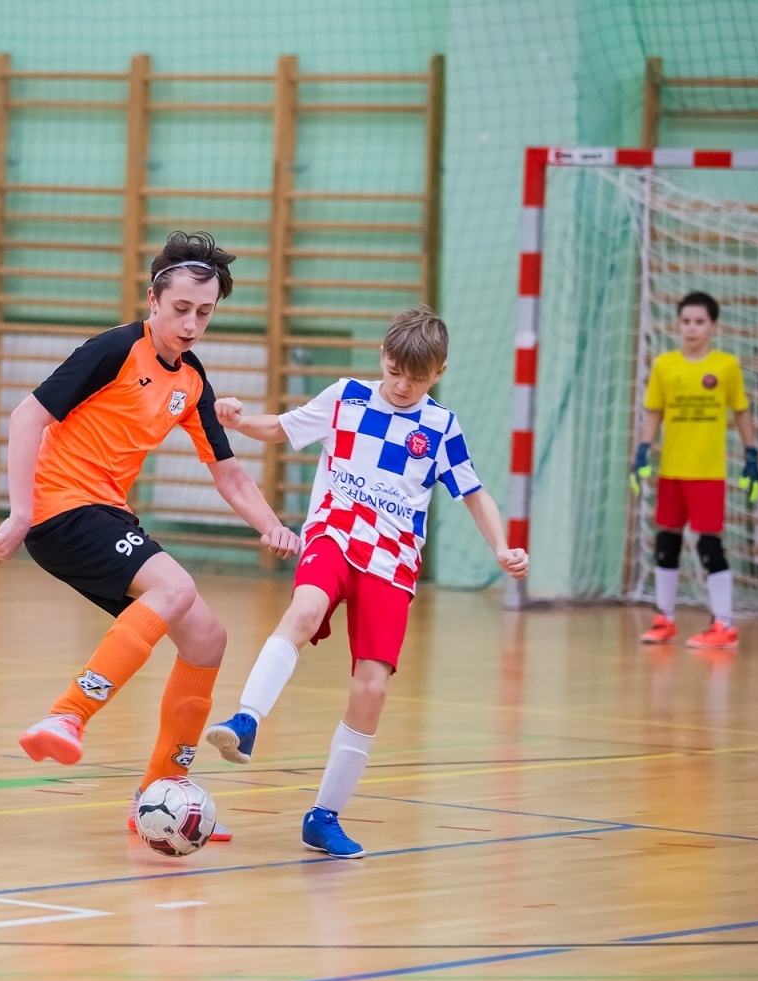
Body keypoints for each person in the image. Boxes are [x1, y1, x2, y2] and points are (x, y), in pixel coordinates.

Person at [0, 231, 300, 841]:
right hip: (61, 509)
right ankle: (68, 716)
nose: (192, 323)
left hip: (107, 515)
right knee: (175, 587)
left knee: (206, 637)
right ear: (153, 300)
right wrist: (19, 512)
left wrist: (272, 525)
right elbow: (26, 416)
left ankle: (160, 790)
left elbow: (227, 472)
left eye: (204, 313)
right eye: (181, 309)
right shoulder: (113, 350)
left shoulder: (192, 380)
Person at [203, 307, 529, 857]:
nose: (402, 385)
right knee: (303, 612)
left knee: (372, 687)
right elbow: (283, 428)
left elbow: (474, 493)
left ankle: (323, 816)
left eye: (416, 378)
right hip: (334, 533)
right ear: (383, 355)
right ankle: (246, 719)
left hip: (393, 562)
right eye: (395, 370)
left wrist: (500, 547)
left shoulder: (442, 428)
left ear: (439, 373)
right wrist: (237, 420)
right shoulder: (347, 397)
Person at [631, 290, 758, 650]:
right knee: (667, 542)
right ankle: (664, 619)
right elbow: (654, 412)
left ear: (713, 326)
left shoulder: (726, 366)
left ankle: (724, 624)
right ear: (678, 324)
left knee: (709, 545)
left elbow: (741, 412)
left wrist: (751, 455)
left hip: (708, 472)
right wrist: (642, 451)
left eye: (699, 321)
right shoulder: (665, 365)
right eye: (686, 321)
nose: (691, 328)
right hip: (672, 470)